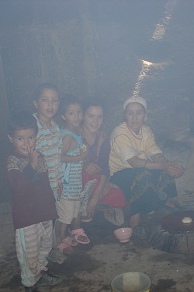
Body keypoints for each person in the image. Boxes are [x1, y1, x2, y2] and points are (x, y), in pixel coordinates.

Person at [109, 96, 184, 239]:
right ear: (125, 115)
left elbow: (153, 151)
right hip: (120, 173)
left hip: (140, 168)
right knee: (143, 175)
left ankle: (167, 200)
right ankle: (134, 220)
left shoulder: (146, 130)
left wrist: (165, 163)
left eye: (139, 113)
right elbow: (134, 162)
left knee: (164, 170)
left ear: (145, 116)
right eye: (130, 113)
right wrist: (162, 165)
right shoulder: (119, 133)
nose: (134, 117)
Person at [7, 111, 62, 291]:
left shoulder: (40, 158)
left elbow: (44, 186)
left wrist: (51, 208)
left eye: (30, 137)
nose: (27, 143)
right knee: (29, 253)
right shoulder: (13, 161)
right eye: (20, 139)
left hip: (44, 213)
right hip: (27, 218)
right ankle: (30, 283)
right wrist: (31, 164)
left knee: (45, 245)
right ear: (11, 139)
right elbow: (20, 188)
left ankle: (40, 271)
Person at [32, 83, 66, 264]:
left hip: (53, 185)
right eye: (45, 100)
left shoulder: (55, 128)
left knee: (51, 220)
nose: (50, 105)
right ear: (36, 103)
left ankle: (49, 251)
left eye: (54, 101)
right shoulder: (32, 127)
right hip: (38, 186)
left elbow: (58, 157)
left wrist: (59, 180)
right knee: (39, 223)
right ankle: (36, 256)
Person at [79, 97, 126, 225]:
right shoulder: (74, 135)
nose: (95, 121)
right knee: (86, 176)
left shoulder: (103, 138)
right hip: (76, 180)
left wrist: (94, 199)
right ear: (82, 116)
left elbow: (105, 168)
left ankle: (94, 202)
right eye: (91, 116)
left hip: (95, 181)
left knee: (118, 196)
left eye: (99, 117)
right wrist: (83, 165)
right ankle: (83, 206)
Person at [57, 95, 90, 251]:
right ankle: (60, 239)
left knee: (72, 212)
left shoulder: (75, 133)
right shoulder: (68, 136)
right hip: (67, 185)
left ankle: (66, 235)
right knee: (64, 216)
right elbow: (60, 157)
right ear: (63, 116)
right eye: (71, 113)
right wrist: (81, 156)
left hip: (74, 184)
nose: (76, 116)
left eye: (78, 112)